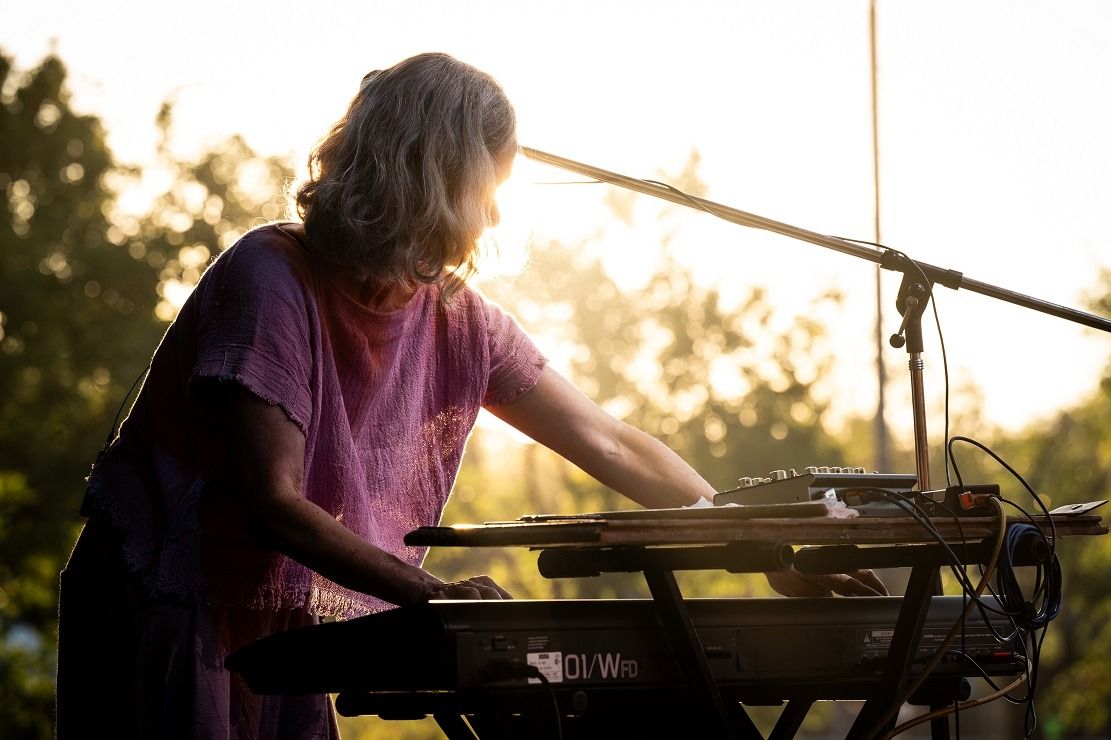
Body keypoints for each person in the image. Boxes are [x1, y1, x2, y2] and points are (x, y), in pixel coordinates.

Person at [56, 52, 885, 739]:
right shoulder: (271, 278)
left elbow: (609, 442)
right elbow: (272, 503)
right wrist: (433, 594)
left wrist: (760, 548)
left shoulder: (456, 317)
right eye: (490, 185)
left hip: (278, 619)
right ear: (438, 176)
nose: (492, 213)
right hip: (165, 601)